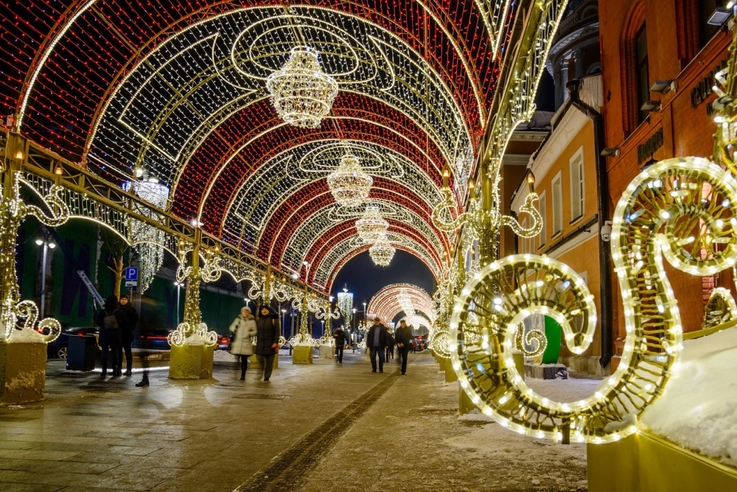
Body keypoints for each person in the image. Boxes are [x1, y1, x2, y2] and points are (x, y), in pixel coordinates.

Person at [95, 295, 123, 378]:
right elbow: (124, 322)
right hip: (115, 334)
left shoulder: (103, 312)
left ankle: (104, 370)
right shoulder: (119, 312)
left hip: (105, 334)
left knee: (104, 352)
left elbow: (98, 322)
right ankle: (115, 369)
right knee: (115, 352)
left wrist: (104, 326)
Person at [229, 306, 257, 380]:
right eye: (244, 311)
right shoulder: (238, 320)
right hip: (238, 342)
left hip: (246, 343)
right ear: (242, 312)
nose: (245, 313)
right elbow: (231, 327)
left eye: (247, 311)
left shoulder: (252, 321)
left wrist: (249, 333)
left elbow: (255, 331)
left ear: (249, 313)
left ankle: (243, 375)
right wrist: (235, 327)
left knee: (244, 360)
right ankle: (235, 373)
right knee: (237, 359)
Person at [255, 306, 280, 381]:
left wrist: (275, 342)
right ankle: (262, 369)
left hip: (270, 344)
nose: (264, 311)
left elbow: (277, 332)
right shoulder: (259, 319)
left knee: (269, 362)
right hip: (260, 343)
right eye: (262, 309)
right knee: (259, 357)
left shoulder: (274, 319)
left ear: (269, 311)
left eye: (266, 309)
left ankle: (267, 376)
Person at [117, 294, 139, 377]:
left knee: (127, 351)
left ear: (127, 300)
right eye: (122, 299)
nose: (123, 301)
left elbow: (136, 319)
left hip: (127, 333)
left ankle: (128, 368)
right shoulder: (117, 309)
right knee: (118, 352)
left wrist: (130, 326)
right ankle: (118, 368)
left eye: (125, 299)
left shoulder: (131, 309)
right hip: (119, 333)